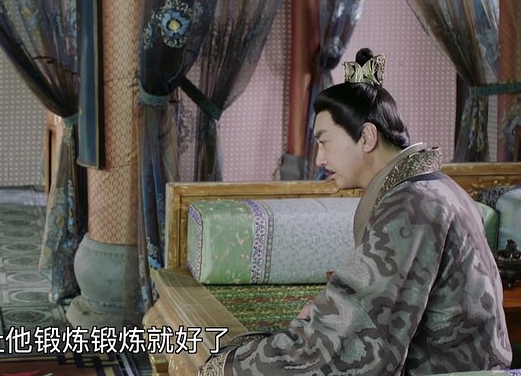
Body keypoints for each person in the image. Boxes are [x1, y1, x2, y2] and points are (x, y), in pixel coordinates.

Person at [199, 48, 511, 375]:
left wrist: (228, 363)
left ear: (367, 137)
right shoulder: (437, 187)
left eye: (324, 142)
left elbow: (348, 346)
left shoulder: (411, 206)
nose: (319, 159)